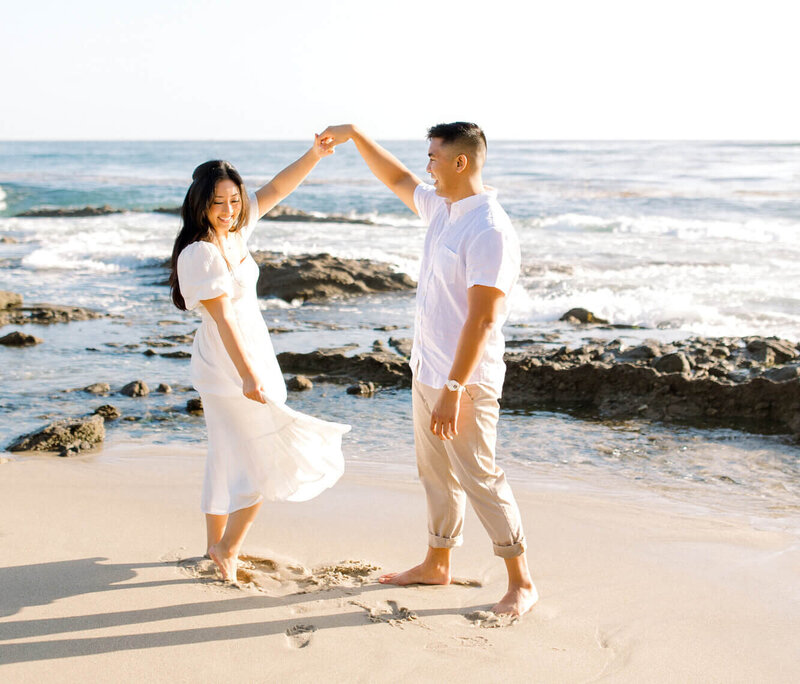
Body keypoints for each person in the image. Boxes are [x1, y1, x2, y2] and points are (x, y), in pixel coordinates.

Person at [317, 122, 538, 618]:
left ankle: (522, 582)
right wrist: (354, 135)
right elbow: (395, 179)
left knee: (480, 476)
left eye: (434, 158)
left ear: (461, 162)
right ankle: (437, 562)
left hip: (467, 381)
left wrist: (455, 387)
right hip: (429, 371)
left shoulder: (489, 230)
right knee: (435, 473)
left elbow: (482, 318)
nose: (427, 166)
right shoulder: (443, 208)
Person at [169, 140, 349, 583]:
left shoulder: (234, 234)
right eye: (219, 203)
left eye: (234, 200)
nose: (229, 209)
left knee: (228, 453)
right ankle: (228, 547)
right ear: (200, 204)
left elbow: (276, 189)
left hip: (253, 350)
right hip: (227, 362)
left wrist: (314, 155)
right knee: (260, 455)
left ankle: (216, 545)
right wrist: (249, 374)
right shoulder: (199, 252)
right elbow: (224, 318)